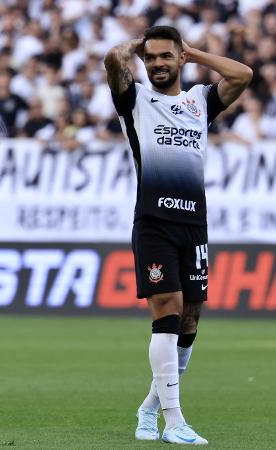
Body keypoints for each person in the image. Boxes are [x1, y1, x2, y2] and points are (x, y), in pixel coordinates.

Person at [104, 26, 252, 445]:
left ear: (180, 59)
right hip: (153, 222)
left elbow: (243, 75)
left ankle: (149, 408)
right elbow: (113, 61)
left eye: (166, 57)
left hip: (195, 225)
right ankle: (174, 421)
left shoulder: (201, 100)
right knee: (167, 316)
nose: (157, 64)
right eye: (150, 58)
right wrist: (136, 46)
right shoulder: (133, 99)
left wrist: (194, 53)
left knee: (190, 319)